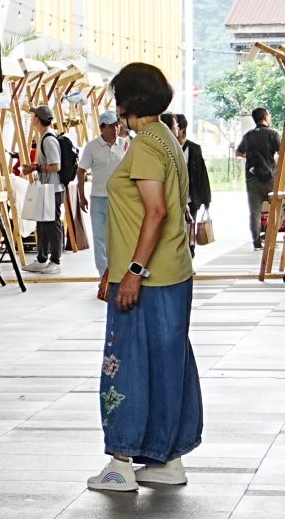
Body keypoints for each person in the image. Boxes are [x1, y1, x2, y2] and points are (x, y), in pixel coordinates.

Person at [88, 66, 203, 493]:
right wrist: (113, 269)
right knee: (166, 364)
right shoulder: (168, 139)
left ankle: (121, 461)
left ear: (128, 102)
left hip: (148, 278)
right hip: (170, 272)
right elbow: (145, 213)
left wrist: (132, 272)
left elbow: (155, 211)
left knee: (128, 366)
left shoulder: (146, 147)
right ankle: (167, 458)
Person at [19, 104, 67, 272]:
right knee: (42, 224)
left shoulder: (48, 139)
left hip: (52, 189)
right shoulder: (45, 137)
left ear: (37, 119)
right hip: (47, 188)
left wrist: (35, 168)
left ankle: (55, 260)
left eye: (33, 117)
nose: (32, 119)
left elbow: (56, 166)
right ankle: (41, 258)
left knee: (52, 223)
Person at [81, 112, 128, 273]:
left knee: (120, 237)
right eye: (111, 125)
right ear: (102, 128)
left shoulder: (125, 144)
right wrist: (81, 196)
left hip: (120, 199)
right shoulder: (92, 146)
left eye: (117, 124)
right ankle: (104, 276)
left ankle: (119, 272)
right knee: (100, 238)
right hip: (98, 198)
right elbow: (81, 171)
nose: (115, 128)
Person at [235, 105, 281, 248]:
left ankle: (256, 242)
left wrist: (250, 156)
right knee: (279, 206)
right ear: (265, 117)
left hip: (252, 178)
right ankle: (269, 236)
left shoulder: (248, 135)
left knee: (255, 212)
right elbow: (281, 153)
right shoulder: (273, 134)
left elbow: (238, 152)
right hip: (270, 177)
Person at [168, 113, 212, 250]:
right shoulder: (168, 148)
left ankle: (190, 252)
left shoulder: (194, 148)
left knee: (190, 226)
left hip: (191, 197)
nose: (174, 131)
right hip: (173, 196)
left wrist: (206, 199)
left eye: (176, 127)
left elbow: (202, 175)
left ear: (183, 129)